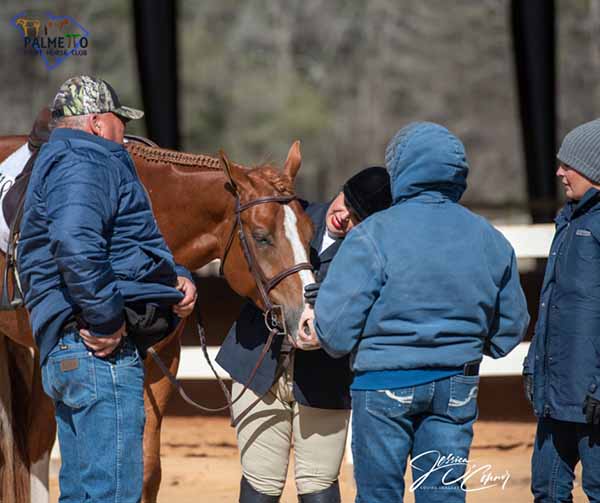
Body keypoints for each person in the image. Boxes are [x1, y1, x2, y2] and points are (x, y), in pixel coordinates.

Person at [300, 122, 530, 502]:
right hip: (456, 383)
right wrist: (460, 343)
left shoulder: (372, 235)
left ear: (403, 170)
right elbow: (510, 329)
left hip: (382, 385)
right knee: (442, 494)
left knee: (379, 496)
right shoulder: (488, 237)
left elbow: (336, 335)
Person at [17, 75, 197, 503]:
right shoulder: (87, 160)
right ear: (98, 123)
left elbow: (114, 243)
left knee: (85, 493)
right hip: (99, 352)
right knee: (112, 493)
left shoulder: (64, 160)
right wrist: (107, 318)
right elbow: (75, 242)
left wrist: (171, 277)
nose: (125, 134)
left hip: (73, 350)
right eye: (119, 122)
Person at [216, 166, 392, 502]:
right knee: (259, 483)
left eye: (357, 216)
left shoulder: (372, 252)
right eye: (345, 201)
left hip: (325, 377)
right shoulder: (292, 214)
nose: (343, 216)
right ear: (339, 189)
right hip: (259, 366)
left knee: (318, 483)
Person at [524, 119, 600, 502]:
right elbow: (554, 304)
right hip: (557, 398)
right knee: (547, 490)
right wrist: (535, 366)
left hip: (593, 400)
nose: (558, 173)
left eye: (568, 165)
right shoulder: (569, 220)